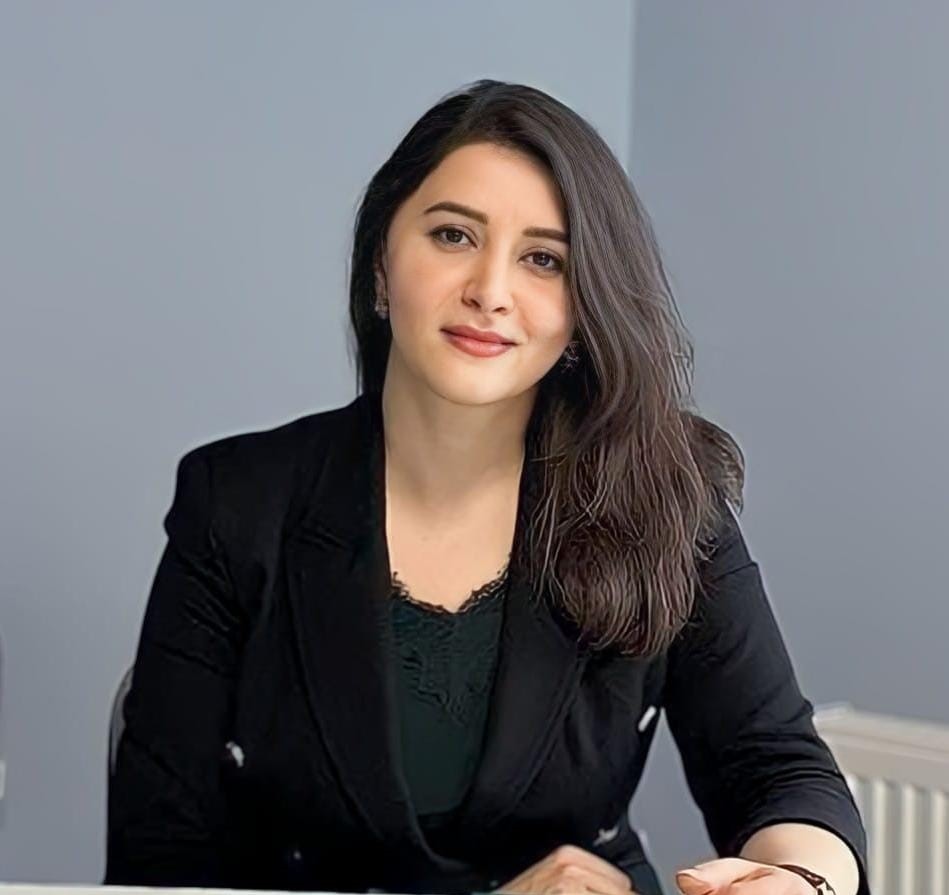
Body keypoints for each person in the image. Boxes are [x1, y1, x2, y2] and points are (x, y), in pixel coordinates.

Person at [105, 79, 868, 895]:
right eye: (451, 235)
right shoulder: (234, 501)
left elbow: (774, 762)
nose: (490, 291)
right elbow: (159, 859)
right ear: (380, 265)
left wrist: (800, 879)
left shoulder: (665, 491)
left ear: (582, 306)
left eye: (543, 259)